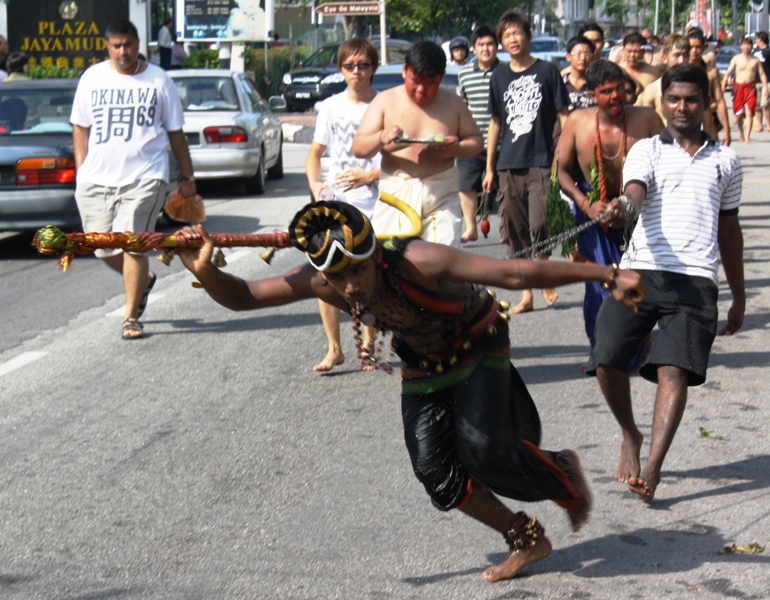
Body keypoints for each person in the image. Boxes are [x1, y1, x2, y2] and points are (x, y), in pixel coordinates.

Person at [175, 199, 647, 582]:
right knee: (436, 475)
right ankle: (524, 537)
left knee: (484, 452)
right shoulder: (320, 282)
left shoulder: (419, 260)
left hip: (476, 342)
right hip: (423, 362)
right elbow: (242, 297)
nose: (350, 286)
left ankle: (561, 471)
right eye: (338, 278)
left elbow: (516, 274)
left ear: (374, 255)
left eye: (357, 271)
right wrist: (207, 270)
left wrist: (607, 275)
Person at [589, 63, 745, 502]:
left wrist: (739, 297)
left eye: (691, 100)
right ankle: (629, 433)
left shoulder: (726, 161)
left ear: (705, 104)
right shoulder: (646, 150)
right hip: (640, 270)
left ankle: (653, 468)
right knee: (606, 358)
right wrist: (622, 207)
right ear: (662, 102)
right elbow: (635, 193)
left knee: (673, 369)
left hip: (696, 280)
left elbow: (730, 233)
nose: (681, 107)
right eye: (673, 99)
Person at [71, 18, 196, 340]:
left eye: (127, 45)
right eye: (116, 46)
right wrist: (82, 169)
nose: (122, 52)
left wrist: (187, 176)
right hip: (95, 179)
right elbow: (80, 127)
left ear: (138, 45)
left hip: (145, 177)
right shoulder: (92, 78)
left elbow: (175, 133)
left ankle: (130, 317)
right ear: (108, 47)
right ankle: (143, 281)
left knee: (132, 245)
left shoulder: (159, 80)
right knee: (101, 247)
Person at [556, 60, 663, 364]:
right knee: (602, 281)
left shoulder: (647, 119)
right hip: (596, 213)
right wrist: (584, 203)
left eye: (620, 89)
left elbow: (672, 159)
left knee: (640, 281)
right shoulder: (577, 122)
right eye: (606, 92)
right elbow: (560, 172)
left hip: (640, 211)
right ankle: (600, 348)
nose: (616, 97)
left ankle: (638, 343)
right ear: (591, 93)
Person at [353, 41, 483, 247]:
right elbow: (359, 148)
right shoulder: (385, 101)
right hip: (396, 194)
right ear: (405, 71)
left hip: (441, 195)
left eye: (430, 82)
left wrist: (457, 148)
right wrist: (381, 137)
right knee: (388, 262)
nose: (422, 90)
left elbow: (475, 141)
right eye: (416, 81)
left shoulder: (453, 104)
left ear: (441, 76)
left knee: (442, 261)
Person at [483, 10, 570, 314]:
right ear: (501, 42)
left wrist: (564, 155)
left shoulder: (548, 71)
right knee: (515, 229)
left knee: (540, 221)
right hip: (509, 163)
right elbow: (495, 123)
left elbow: (564, 117)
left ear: (528, 36)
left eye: (517, 33)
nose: (513, 39)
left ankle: (543, 275)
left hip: (543, 161)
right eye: (506, 35)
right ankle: (527, 296)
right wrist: (489, 167)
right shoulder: (499, 76)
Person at [305, 38, 381, 372]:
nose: (356, 72)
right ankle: (334, 348)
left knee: (370, 271)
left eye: (363, 65)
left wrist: (370, 176)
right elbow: (315, 154)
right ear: (340, 69)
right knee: (327, 273)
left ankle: (368, 342)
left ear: (373, 68)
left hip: (376, 200)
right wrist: (316, 185)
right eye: (350, 66)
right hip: (337, 202)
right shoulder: (331, 107)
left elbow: (400, 159)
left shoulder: (386, 105)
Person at [457, 25, 502, 243]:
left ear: (497, 46)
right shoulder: (464, 74)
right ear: (473, 49)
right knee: (465, 184)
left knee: (506, 188)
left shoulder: (506, 71)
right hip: (472, 141)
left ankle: (506, 228)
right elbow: (462, 106)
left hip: (504, 142)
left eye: (490, 44)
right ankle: (470, 227)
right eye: (481, 45)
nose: (486, 49)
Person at [688, 28, 731, 145]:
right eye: (691, 47)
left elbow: (720, 100)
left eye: (697, 47)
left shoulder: (711, 72)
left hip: (708, 125)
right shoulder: (678, 70)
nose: (694, 51)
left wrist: (727, 131)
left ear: (704, 48)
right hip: (685, 126)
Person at [722, 36, 769, 143]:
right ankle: (741, 133)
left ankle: (747, 136)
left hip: (751, 87)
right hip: (738, 87)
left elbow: (762, 74)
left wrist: (766, 87)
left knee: (749, 112)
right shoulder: (736, 59)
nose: (747, 46)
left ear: (752, 46)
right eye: (745, 44)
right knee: (739, 113)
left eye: (749, 44)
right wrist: (723, 85)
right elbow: (728, 72)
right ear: (741, 46)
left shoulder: (755, 60)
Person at [636, 33, 691, 123]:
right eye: (677, 55)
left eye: (685, 55)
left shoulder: (697, 87)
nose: (682, 60)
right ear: (664, 58)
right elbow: (647, 124)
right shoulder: (653, 89)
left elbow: (707, 122)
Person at [563, 35, 597, 110]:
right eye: (578, 54)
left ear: (592, 58)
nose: (582, 58)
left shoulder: (596, 84)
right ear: (568, 57)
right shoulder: (559, 84)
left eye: (587, 54)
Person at [754, 31, 770, 132]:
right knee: (757, 105)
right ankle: (760, 125)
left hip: (768, 81)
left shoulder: (769, 51)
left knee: (766, 104)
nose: (756, 40)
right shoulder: (754, 51)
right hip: (755, 81)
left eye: (757, 38)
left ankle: (769, 124)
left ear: (760, 40)